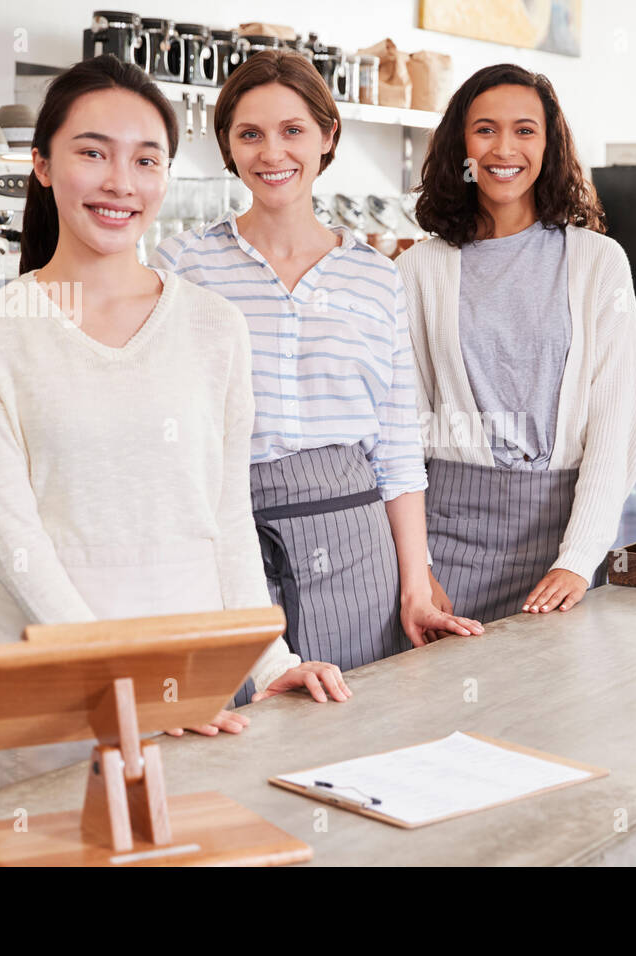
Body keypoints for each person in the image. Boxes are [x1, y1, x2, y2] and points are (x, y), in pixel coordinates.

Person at [0, 55, 345, 799]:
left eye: (145, 159)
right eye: (92, 152)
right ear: (41, 164)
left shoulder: (213, 326)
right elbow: (17, 543)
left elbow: (224, 518)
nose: (120, 182)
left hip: (192, 693)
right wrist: (123, 679)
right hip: (57, 694)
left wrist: (268, 659)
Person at [150, 50, 482, 667]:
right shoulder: (182, 266)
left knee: (356, 732)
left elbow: (397, 449)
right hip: (227, 541)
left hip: (357, 546)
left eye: (292, 131)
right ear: (227, 145)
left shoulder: (377, 277)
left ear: (328, 136)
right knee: (235, 736)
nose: (272, 153)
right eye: (250, 134)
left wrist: (415, 581)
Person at [397, 63, 636, 625]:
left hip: (562, 546)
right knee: (437, 708)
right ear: (459, 145)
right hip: (446, 548)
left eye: (525, 130)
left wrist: (580, 557)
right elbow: (402, 429)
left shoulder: (598, 262)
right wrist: (417, 568)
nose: (504, 148)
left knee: (550, 707)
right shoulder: (419, 269)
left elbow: (615, 422)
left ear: (549, 144)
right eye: (485, 129)